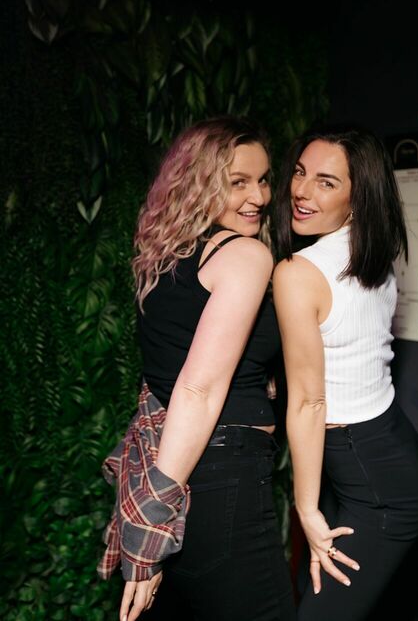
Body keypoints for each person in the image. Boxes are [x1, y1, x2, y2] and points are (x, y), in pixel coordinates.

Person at [101, 117, 295, 621]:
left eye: (263, 179)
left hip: (188, 463)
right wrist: (153, 522)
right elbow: (197, 389)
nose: (258, 196)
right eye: (238, 182)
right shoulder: (244, 255)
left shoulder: (165, 254)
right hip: (222, 475)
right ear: (200, 183)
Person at [273, 127, 418, 621]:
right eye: (300, 173)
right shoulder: (372, 253)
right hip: (383, 452)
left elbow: (309, 402)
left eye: (326, 182)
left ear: (358, 198)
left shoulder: (299, 272)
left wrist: (305, 510)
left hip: (374, 483)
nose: (302, 191)